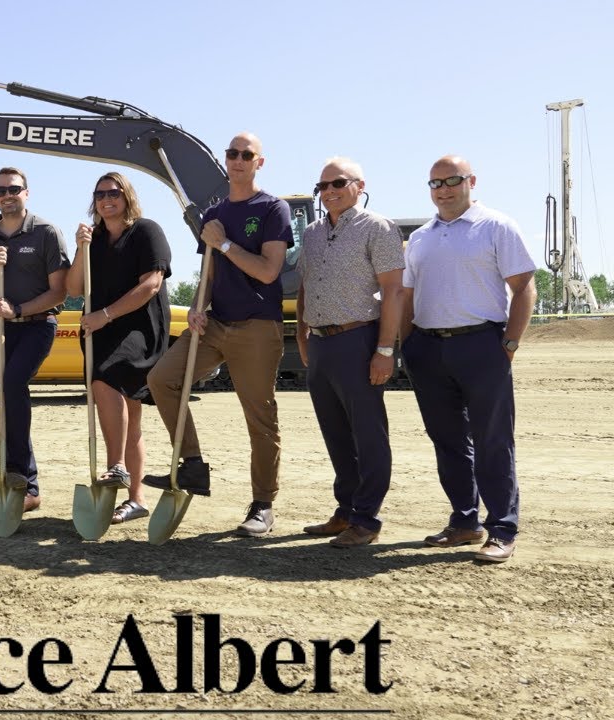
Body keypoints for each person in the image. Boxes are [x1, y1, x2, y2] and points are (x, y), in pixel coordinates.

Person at [146, 132, 293, 537]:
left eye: (247, 155)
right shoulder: (215, 213)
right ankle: (192, 464)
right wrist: (196, 306)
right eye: (232, 153)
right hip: (215, 325)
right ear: (226, 159)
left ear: (259, 163)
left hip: (258, 328)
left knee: (260, 418)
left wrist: (225, 242)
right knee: (161, 379)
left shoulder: (273, 209)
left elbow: (267, 271)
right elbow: (209, 272)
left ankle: (262, 505)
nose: (239, 159)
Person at [402, 155, 536, 564]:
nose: (442, 189)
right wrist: (405, 344)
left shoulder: (496, 226)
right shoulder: (420, 238)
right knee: (448, 440)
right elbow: (406, 296)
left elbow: (524, 287)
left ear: (471, 181)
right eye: (435, 183)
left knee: (493, 440)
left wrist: (509, 344)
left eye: (451, 180)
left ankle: (501, 528)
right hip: (427, 347)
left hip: (482, 345)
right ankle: (464, 521)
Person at [295, 158, 405, 548]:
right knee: (336, 434)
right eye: (322, 186)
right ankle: (345, 511)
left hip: (358, 340)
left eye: (337, 183)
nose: (329, 192)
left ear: (359, 185)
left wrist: (385, 349)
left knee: (368, 434)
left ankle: (367, 519)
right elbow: (307, 285)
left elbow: (393, 291)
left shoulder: (378, 227)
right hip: (322, 343)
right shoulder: (310, 233)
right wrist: (303, 335)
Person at [67, 172, 172, 524]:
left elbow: (152, 284)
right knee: (129, 414)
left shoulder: (146, 231)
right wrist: (81, 249)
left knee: (104, 377)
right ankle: (137, 499)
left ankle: (116, 466)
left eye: (113, 193)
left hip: (140, 327)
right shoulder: (93, 240)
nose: (106, 199)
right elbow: (74, 287)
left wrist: (106, 315)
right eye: (99, 194)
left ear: (127, 196)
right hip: (101, 328)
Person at [0, 167, 69, 512]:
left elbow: (60, 293)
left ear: (27, 192)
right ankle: (29, 487)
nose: (7, 195)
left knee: (13, 385)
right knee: (9, 399)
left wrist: (19, 308)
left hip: (38, 325)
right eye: (0, 191)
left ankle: (18, 475)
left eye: (14, 189)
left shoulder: (46, 233)